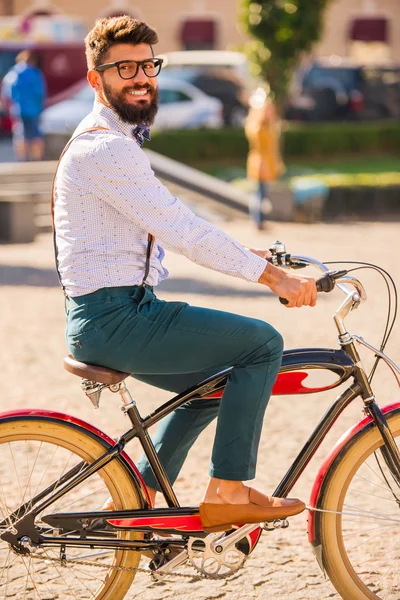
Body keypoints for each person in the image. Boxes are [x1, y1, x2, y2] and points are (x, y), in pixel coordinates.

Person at [53, 16, 317, 533]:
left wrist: (250, 251)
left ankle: (142, 491)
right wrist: (271, 278)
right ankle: (228, 492)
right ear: (95, 80)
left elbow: (171, 225)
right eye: (124, 67)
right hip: (115, 317)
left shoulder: (113, 142)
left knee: (212, 381)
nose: (141, 77)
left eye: (148, 65)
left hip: (123, 311)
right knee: (261, 345)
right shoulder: (105, 148)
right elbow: (182, 229)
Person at [245, 87, 285, 230]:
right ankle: (258, 220)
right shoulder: (259, 128)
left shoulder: (268, 126)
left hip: (266, 161)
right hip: (261, 162)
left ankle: (259, 220)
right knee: (260, 193)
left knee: (262, 192)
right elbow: (261, 149)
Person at [1, 50, 46, 161]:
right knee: (36, 134)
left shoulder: (13, 73)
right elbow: (41, 92)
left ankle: (22, 159)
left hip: (18, 109)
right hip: (35, 109)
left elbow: (7, 93)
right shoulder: (35, 72)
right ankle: (37, 158)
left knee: (20, 134)